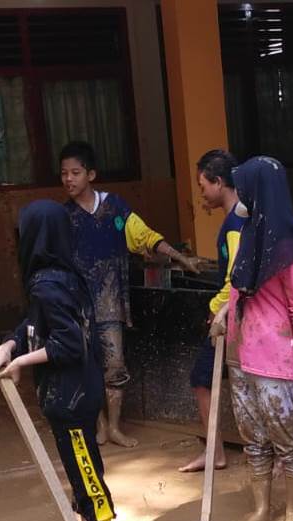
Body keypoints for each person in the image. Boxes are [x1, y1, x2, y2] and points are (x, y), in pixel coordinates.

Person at [0, 201, 115, 521]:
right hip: (79, 391)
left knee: (84, 468)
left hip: (70, 395)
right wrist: (9, 344)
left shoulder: (47, 284)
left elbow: (68, 343)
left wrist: (21, 361)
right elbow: (33, 323)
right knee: (79, 464)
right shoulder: (61, 275)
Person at [209, 156, 293, 521]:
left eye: (243, 187)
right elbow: (241, 286)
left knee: (286, 437)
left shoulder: (287, 244)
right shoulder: (250, 235)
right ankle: (262, 508)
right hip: (241, 352)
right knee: (252, 436)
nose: (238, 195)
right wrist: (225, 310)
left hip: (275, 357)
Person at [59, 140, 202, 448]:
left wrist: (179, 257)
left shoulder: (115, 207)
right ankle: (100, 427)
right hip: (79, 309)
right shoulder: (62, 218)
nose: (69, 179)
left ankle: (114, 427)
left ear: (91, 175)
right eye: (64, 174)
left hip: (111, 306)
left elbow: (144, 236)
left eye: (75, 172)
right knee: (88, 367)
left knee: (115, 366)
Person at [178, 148, 243, 474]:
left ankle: (215, 451)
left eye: (203, 184)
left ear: (219, 182)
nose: (201, 192)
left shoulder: (236, 223)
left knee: (202, 378)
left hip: (231, 315)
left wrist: (215, 308)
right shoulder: (241, 217)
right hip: (234, 314)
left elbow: (236, 277)